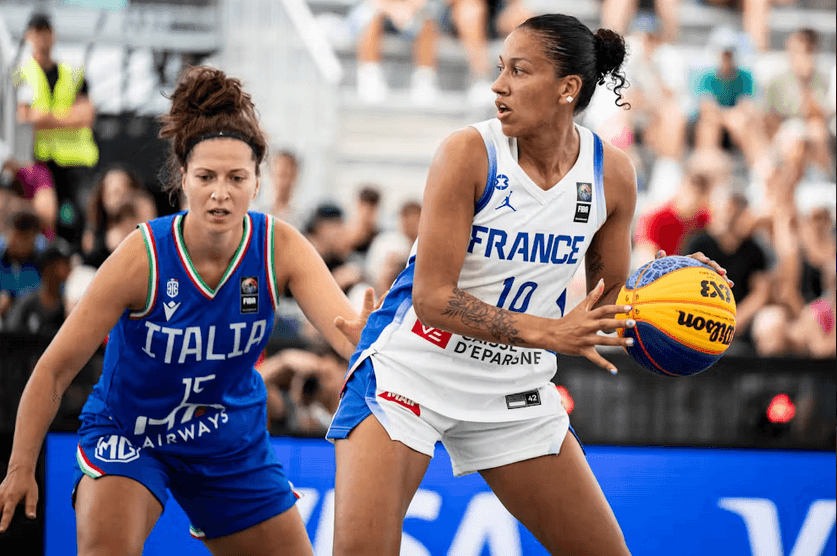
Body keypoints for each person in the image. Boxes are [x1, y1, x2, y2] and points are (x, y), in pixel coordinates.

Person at [326, 14, 730, 556]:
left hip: (510, 384)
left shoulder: (612, 173)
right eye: (500, 69)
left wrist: (675, 286)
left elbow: (610, 302)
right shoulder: (467, 153)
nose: (499, 85)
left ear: (568, 89)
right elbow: (431, 298)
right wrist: (548, 331)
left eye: (519, 71)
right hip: (412, 370)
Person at [0, 66, 374, 555]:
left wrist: (368, 338)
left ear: (257, 182)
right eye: (206, 177)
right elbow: (54, 370)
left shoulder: (279, 247)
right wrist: (20, 465)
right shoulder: (142, 257)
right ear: (182, 178)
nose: (221, 191)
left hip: (227, 439)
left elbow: (348, 333)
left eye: (236, 177)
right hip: (131, 434)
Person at [15, 12, 99, 250]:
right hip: (41, 161)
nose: (42, 37)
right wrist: (66, 117)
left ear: (53, 35)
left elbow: (86, 115)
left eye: (46, 31)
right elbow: (23, 117)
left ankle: (82, 259)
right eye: (37, 31)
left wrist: (45, 117)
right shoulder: (21, 73)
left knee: (84, 217)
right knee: (46, 218)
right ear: (28, 36)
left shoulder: (72, 73)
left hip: (75, 161)